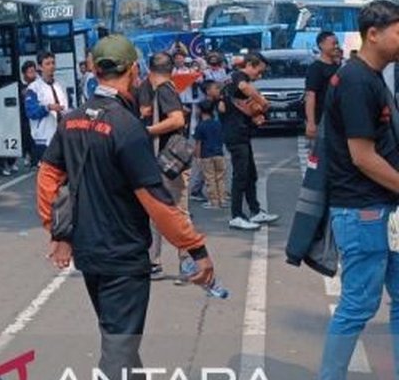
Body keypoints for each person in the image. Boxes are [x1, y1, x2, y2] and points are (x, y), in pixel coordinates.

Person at [36, 35, 215, 376]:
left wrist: (57, 230)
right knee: (119, 349)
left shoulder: (71, 120)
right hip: (123, 254)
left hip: (89, 254)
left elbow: (46, 177)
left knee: (118, 339)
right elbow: (155, 201)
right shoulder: (127, 127)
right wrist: (195, 247)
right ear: (134, 69)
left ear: (94, 70)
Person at [318, 0, 399, 380]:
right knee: (357, 305)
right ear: (373, 33)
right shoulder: (355, 80)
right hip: (363, 210)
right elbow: (362, 157)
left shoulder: (371, 77)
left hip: (384, 207)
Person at [136, 52, 189, 280]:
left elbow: (177, 119)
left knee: (176, 212)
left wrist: (147, 130)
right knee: (158, 213)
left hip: (168, 160)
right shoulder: (163, 89)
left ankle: (186, 262)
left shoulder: (164, 89)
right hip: (161, 160)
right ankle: (156, 262)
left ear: (150, 69)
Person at [219, 52, 279, 230]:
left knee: (251, 174)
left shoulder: (234, 84)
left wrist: (256, 115)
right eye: (258, 72)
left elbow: (238, 106)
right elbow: (246, 88)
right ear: (251, 65)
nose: (259, 77)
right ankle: (236, 215)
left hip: (242, 132)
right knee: (241, 175)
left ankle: (255, 211)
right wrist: (263, 102)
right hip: (235, 134)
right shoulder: (238, 76)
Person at [26, 52, 70, 171]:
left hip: (61, 135)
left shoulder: (60, 85)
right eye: (47, 64)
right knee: (47, 173)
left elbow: (65, 107)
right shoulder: (33, 88)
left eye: (53, 63)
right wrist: (47, 108)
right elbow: (31, 112)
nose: (51, 66)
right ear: (40, 67)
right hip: (44, 138)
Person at [304, 30, 341, 172]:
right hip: (321, 121)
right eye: (333, 43)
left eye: (337, 43)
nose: (336, 46)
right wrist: (311, 122)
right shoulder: (316, 68)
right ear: (321, 45)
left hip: (336, 121)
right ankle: (313, 187)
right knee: (317, 159)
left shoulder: (339, 67)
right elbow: (310, 95)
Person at [195, 99, 228, 210]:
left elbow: (198, 143)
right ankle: (222, 199)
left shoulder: (200, 126)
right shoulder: (218, 123)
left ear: (201, 111)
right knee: (220, 177)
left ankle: (213, 201)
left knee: (210, 178)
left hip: (206, 155)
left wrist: (198, 157)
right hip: (219, 153)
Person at [19, 61, 39, 170]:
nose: (33, 74)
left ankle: (35, 159)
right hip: (24, 117)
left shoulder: (38, 84)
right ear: (24, 74)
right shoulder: (21, 86)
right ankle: (29, 156)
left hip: (35, 116)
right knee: (26, 136)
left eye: (34, 71)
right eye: (30, 72)